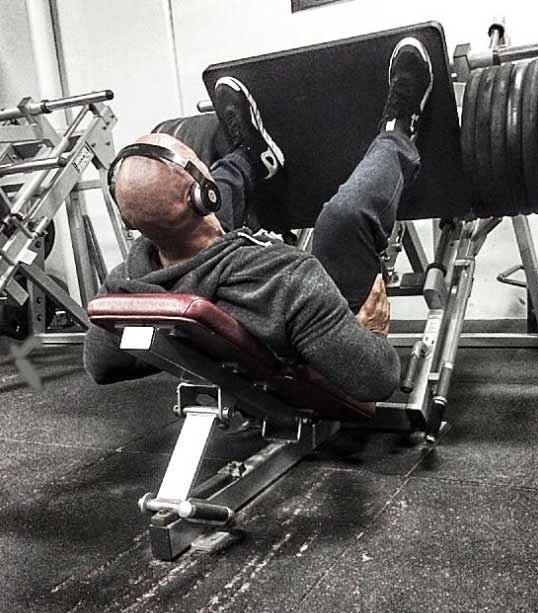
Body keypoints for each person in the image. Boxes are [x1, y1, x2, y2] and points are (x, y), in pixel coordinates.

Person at [84, 37, 433, 402]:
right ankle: (399, 130)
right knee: (343, 217)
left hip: (224, 296)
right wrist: (372, 334)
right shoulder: (286, 280)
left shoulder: (126, 287)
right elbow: (376, 379)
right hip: (323, 363)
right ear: (207, 196)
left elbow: (100, 364)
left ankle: (252, 157)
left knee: (200, 218)